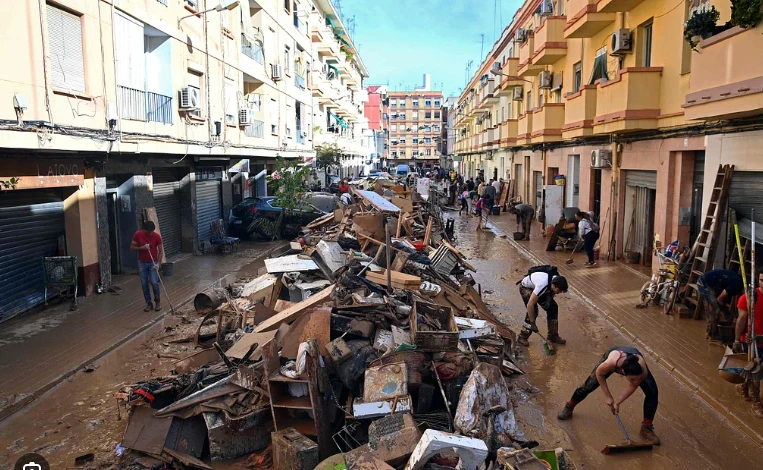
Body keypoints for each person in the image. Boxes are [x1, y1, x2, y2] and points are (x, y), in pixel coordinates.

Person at [557, 346, 661, 445]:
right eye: (633, 379)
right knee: (588, 386)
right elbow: (599, 374)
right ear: (623, 372)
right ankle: (569, 406)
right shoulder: (610, 363)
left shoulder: (642, 370)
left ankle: (646, 428)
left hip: (633, 360)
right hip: (615, 355)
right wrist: (608, 397)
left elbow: (633, 385)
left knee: (653, 392)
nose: (636, 381)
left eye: (637, 378)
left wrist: (618, 402)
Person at [733, 271, 763, 412]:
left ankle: (743, 386)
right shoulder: (749, 298)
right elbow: (741, 320)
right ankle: (756, 403)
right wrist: (737, 340)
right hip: (752, 341)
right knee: (756, 371)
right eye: (762, 280)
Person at [517, 266, 568, 345]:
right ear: (554, 286)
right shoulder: (542, 285)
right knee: (533, 311)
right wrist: (533, 323)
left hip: (540, 287)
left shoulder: (556, 279)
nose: (559, 293)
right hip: (526, 287)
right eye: (559, 290)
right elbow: (530, 305)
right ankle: (522, 336)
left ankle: (553, 336)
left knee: (553, 308)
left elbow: (552, 293)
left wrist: (548, 302)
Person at [698, 269, 745, 339]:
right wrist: (727, 314)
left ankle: (712, 332)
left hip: (714, 283)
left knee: (718, 309)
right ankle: (712, 335)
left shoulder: (740, 284)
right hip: (704, 283)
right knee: (714, 309)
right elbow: (719, 299)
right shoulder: (736, 285)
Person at [130, 221, 163, 312]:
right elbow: (132, 248)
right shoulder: (138, 234)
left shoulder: (157, 236)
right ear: (145, 230)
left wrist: (158, 264)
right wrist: (142, 248)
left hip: (153, 262)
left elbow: (160, 251)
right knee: (144, 284)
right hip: (142, 263)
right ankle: (149, 303)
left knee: (154, 282)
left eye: (152, 231)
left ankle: (157, 302)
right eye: (149, 232)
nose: (150, 233)